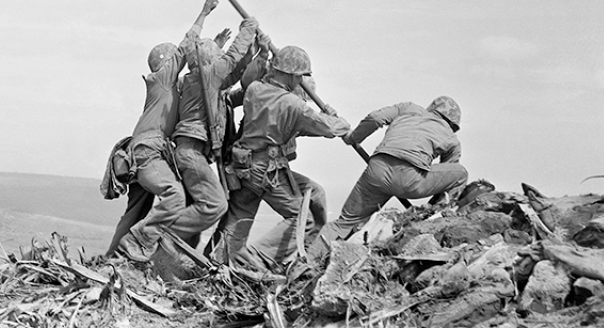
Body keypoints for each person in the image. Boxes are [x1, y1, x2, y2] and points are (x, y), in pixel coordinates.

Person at [210, 45, 351, 268]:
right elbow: (328, 128)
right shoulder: (293, 104)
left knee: (239, 218)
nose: (300, 82)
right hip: (266, 170)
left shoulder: (255, 89)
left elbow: (290, 125)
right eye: (299, 78)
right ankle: (253, 259)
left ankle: (217, 263)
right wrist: (338, 120)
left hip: (242, 165)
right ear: (293, 76)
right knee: (303, 220)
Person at [111, 0, 219, 263]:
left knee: (136, 210)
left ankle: (112, 257)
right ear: (166, 62)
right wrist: (203, 14)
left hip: (144, 151)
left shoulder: (168, 88)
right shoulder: (161, 79)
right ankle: (140, 242)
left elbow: (200, 75)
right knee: (174, 195)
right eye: (174, 60)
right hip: (149, 151)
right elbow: (185, 48)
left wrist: (215, 48)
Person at [312, 96, 468, 259]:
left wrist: (353, 138)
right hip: (410, 179)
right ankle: (437, 217)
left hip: (377, 171)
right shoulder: (452, 139)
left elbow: (375, 118)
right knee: (461, 173)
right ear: (452, 123)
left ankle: (307, 262)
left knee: (344, 223)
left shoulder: (408, 108)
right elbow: (446, 176)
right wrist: (430, 210)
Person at [169, 14, 260, 242]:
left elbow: (235, 72)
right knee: (215, 204)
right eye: (217, 56)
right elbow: (232, 58)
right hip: (192, 152)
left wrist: (253, 53)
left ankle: (174, 257)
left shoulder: (197, 80)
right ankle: (161, 234)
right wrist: (248, 28)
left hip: (192, 152)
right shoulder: (207, 76)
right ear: (211, 61)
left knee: (195, 218)